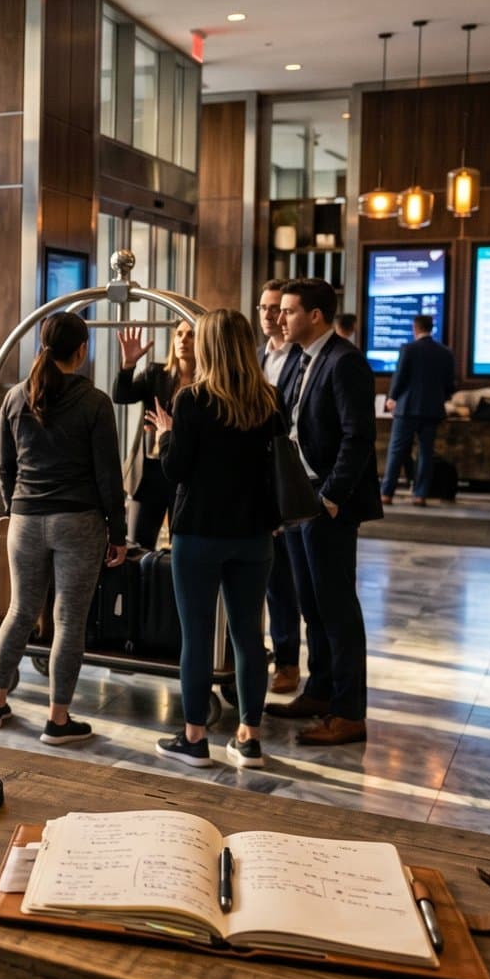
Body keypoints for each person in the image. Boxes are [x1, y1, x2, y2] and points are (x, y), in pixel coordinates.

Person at [0, 312, 127, 746]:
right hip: (78, 522)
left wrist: (17, 507)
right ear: (81, 350)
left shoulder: (13, 397)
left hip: (25, 520)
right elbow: (108, 477)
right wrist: (118, 532)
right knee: (68, 620)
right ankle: (58, 720)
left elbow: (4, 467)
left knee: (19, 612)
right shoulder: (95, 401)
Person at [147, 309, 280, 769]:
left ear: (207, 346)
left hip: (199, 533)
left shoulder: (192, 400)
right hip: (254, 535)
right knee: (248, 635)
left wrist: (165, 437)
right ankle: (249, 737)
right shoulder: (269, 400)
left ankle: (195, 738)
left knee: (197, 635)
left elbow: (176, 471)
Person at [263, 279, 382, 745]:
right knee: (309, 603)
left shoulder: (345, 360)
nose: (280, 318)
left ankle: (350, 714)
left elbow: (358, 437)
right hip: (298, 497)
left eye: (289, 311)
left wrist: (331, 497)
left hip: (327, 502)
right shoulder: (299, 359)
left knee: (337, 609)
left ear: (315, 315)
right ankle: (320, 690)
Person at [257, 280, 303, 694]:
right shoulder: (253, 359)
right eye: (265, 308)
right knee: (260, 576)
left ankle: (288, 661)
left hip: (286, 482)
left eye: (278, 308)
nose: (272, 315)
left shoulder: (302, 360)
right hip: (252, 483)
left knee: (285, 579)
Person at [113, 319, 195, 549]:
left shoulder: (207, 383)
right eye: (179, 334)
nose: (183, 340)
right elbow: (121, 396)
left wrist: (171, 429)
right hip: (150, 469)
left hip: (183, 472)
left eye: (191, 335)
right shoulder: (156, 373)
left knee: (182, 543)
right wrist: (128, 365)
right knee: (139, 543)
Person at [381, 315, 456, 506]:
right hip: (432, 410)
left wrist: (392, 397)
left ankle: (387, 494)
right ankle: (420, 495)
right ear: (432, 328)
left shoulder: (409, 349)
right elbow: (450, 384)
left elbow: (400, 376)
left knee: (396, 451)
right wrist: (442, 398)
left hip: (407, 408)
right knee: (425, 453)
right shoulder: (445, 352)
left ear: (415, 328)